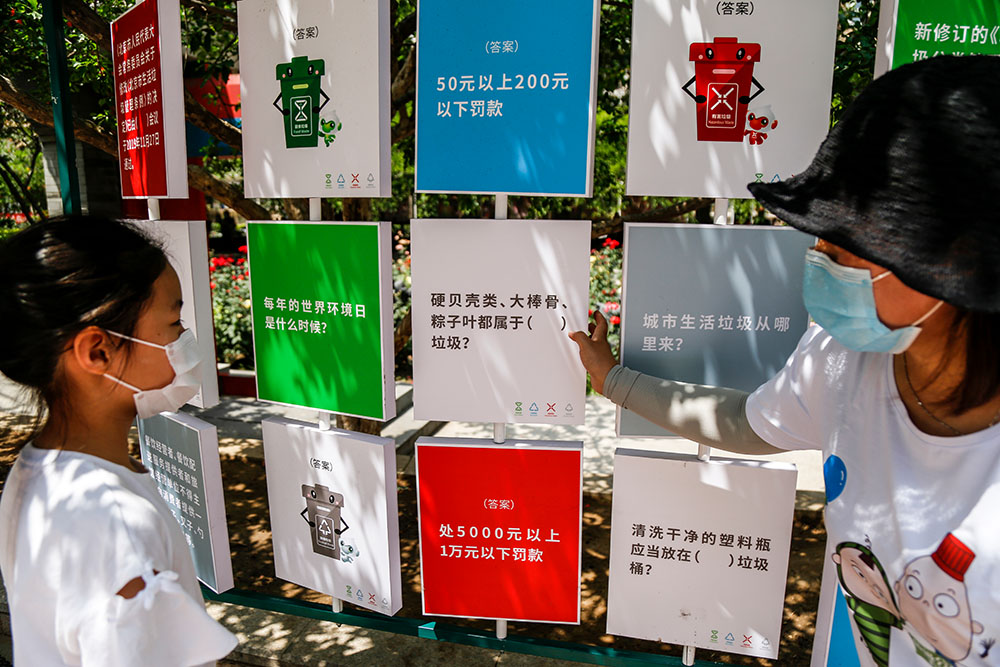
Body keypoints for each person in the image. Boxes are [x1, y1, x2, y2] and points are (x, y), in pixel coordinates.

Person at [571, 55, 1000, 667]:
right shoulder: (843, 359)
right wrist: (612, 379)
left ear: (954, 266)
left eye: (847, 239)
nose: (818, 252)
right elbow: (746, 422)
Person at [0, 216, 237, 665]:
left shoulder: (39, 473)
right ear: (98, 352)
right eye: (174, 321)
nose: (185, 339)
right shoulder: (116, 522)